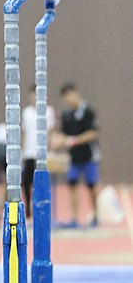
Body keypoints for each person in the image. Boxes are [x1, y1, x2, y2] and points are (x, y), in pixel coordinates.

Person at [52, 82, 100, 228]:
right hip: (73, 157)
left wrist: (74, 140)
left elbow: (93, 133)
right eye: (65, 97)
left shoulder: (87, 111)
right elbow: (63, 135)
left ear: (76, 93)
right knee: (72, 184)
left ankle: (95, 215)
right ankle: (74, 218)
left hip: (89, 155)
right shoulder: (66, 114)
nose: (68, 99)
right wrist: (57, 139)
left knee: (91, 186)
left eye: (70, 95)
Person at [21, 84, 56, 219]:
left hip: (42, 154)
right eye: (33, 94)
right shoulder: (26, 112)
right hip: (29, 153)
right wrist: (22, 153)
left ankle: (42, 209)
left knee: (41, 184)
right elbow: (24, 133)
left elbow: (51, 132)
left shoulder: (49, 111)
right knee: (27, 182)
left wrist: (50, 151)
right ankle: (29, 211)